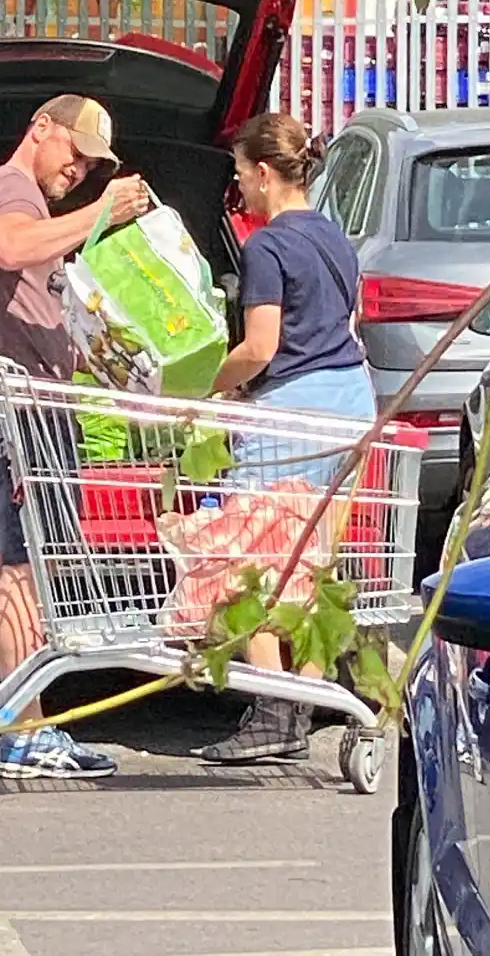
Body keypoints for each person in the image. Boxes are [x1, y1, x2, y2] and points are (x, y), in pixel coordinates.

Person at [0, 94, 151, 776]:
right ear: (42, 129)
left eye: (93, 166)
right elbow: (9, 246)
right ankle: (26, 730)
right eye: (77, 153)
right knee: (27, 575)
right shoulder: (11, 192)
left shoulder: (28, 201)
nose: (81, 170)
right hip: (18, 417)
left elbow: (31, 291)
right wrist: (99, 213)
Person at [193, 111, 376, 765]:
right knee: (311, 560)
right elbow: (347, 322)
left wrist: (209, 383)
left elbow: (261, 346)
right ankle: (310, 687)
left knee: (244, 563)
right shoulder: (335, 237)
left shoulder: (266, 246)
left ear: (265, 174)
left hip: (293, 413)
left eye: (241, 172)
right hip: (351, 401)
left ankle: (273, 707)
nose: (239, 186)